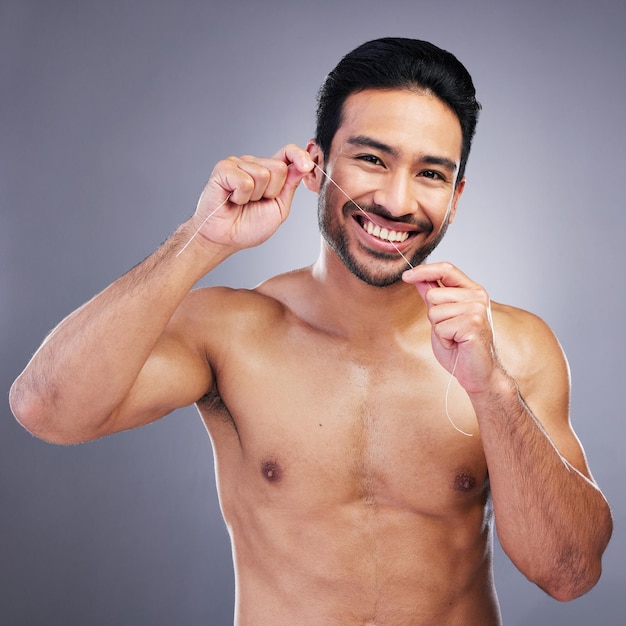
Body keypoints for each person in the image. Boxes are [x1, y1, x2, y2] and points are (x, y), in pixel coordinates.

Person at [10, 37, 612, 625]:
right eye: (372, 159)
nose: (397, 201)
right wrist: (201, 241)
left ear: (455, 197)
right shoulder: (232, 333)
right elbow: (46, 409)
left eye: (430, 173)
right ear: (318, 163)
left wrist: (493, 392)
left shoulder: (513, 348)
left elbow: (569, 572)